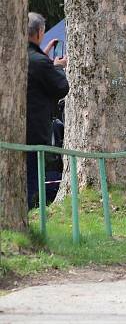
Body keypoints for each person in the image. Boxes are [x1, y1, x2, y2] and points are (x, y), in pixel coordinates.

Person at [26, 13, 69, 208]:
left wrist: (44, 57)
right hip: (34, 132)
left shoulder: (17, 56)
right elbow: (61, 88)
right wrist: (57, 67)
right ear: (39, 32)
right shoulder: (40, 62)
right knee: (31, 181)